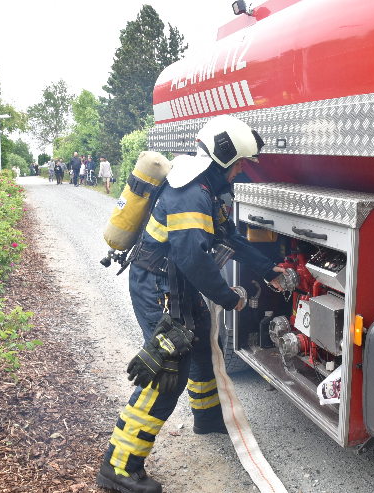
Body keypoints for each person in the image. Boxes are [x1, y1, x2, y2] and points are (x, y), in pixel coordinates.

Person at [96, 115, 285, 493]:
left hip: (175, 283)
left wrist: (268, 269)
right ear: (225, 159)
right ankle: (119, 466)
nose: (242, 172)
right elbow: (193, 258)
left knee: (201, 347)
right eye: (240, 164)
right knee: (167, 370)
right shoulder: (190, 192)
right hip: (158, 286)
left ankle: (207, 416)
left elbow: (227, 238)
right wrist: (230, 299)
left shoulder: (204, 186)